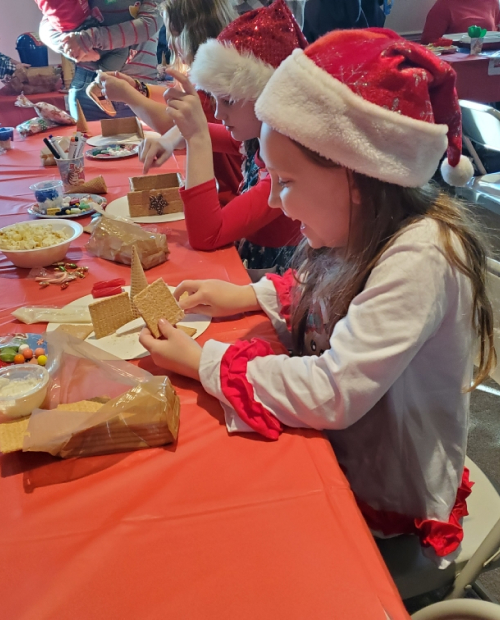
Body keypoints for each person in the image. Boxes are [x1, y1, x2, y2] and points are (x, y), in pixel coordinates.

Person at [139, 28, 496, 565]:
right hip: (348, 457)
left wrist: (204, 361)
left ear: (354, 178)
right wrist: (245, 296)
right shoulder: (356, 227)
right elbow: (321, 292)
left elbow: (333, 391)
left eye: (286, 181)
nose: (279, 203)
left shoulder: (420, 257)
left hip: (387, 506)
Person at [141, 0, 307, 277]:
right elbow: (216, 134)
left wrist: (195, 138)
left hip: (277, 278)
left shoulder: (286, 170)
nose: (218, 112)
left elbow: (207, 234)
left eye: (228, 101)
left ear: (268, 96)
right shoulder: (261, 138)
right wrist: (173, 139)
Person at [98, 0, 242, 205]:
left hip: (231, 195)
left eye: (173, 33)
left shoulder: (214, 79)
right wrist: (139, 88)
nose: (171, 43)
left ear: (189, 32)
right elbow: (178, 98)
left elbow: (177, 125)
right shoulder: (217, 65)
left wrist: (128, 95)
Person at [39, 0, 162, 120]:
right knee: (86, 140)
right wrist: (70, 46)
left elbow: (148, 24)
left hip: (142, 89)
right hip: (88, 88)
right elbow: (48, 24)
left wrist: (87, 39)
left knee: (150, 140)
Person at [34, 0, 129, 70]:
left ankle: (103, 81)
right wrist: (66, 44)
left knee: (119, 51)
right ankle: (103, 81)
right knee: (120, 50)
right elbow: (46, 27)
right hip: (82, 31)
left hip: (75, 32)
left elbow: (144, 25)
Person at [421, 0, 500, 45]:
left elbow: (496, 31)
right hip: (458, 63)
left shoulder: (492, 2)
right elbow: (428, 41)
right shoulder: (444, 4)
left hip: (491, 61)